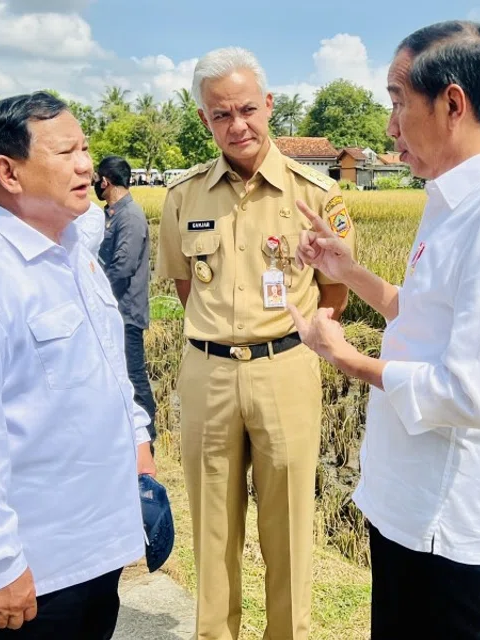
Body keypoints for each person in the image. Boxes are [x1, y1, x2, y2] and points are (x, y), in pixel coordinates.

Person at [288, 22, 480, 639]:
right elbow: (425, 317)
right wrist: (348, 271)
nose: (389, 126)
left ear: (453, 104)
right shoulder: (452, 201)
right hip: (408, 500)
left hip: (446, 516)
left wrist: (348, 358)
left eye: (397, 101)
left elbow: (472, 392)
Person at [0, 92, 155, 638]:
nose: (87, 166)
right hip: (28, 569)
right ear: (9, 171)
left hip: (93, 548)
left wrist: (138, 442)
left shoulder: (74, 253)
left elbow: (109, 370)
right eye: (67, 152)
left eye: (85, 148)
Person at [156, 47, 355, 640]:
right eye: (221, 115)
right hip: (209, 370)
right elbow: (188, 288)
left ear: (269, 105)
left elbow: (334, 293)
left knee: (289, 524)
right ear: (204, 121)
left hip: (285, 369)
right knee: (212, 524)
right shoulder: (183, 197)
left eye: (247, 109)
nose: (237, 125)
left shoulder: (316, 195)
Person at [94, 155, 156, 449]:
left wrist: (95, 292)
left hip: (126, 312)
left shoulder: (130, 216)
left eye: (97, 179)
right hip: (113, 312)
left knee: (134, 378)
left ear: (105, 180)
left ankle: (148, 442)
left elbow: (123, 266)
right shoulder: (111, 213)